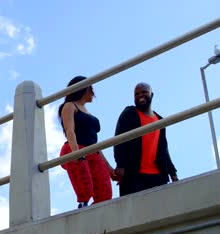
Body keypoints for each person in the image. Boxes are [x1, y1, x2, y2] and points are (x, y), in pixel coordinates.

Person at [58, 76, 114, 209]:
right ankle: (82, 208)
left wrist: (109, 167)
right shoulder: (70, 106)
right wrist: (76, 153)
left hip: (93, 152)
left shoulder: (89, 112)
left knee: (105, 192)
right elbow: (69, 130)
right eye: (91, 89)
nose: (93, 94)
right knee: (85, 189)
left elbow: (94, 142)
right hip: (76, 148)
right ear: (84, 89)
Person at [113, 82, 178, 196]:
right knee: (135, 212)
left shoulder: (160, 120)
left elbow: (164, 149)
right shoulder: (130, 113)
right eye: (136, 94)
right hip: (133, 175)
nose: (139, 95)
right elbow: (119, 139)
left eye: (144, 92)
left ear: (152, 95)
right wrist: (120, 165)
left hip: (158, 175)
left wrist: (172, 172)